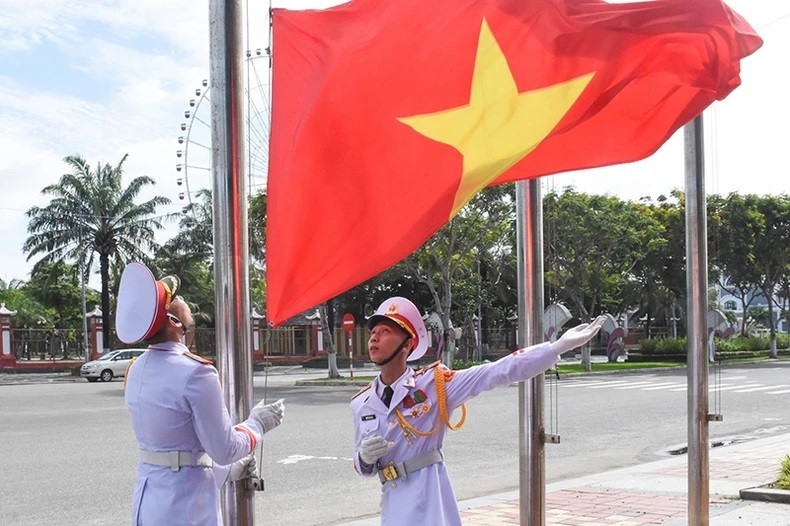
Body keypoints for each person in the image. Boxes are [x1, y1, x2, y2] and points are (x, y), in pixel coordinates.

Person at [351, 296, 605, 526]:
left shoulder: (435, 384)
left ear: (407, 345)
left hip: (428, 499)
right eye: (373, 332)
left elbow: (496, 371)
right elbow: (363, 468)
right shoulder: (362, 403)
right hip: (392, 502)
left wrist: (555, 348)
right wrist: (363, 458)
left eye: (385, 332)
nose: (374, 338)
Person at [118, 262, 284, 526]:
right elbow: (225, 449)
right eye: (176, 300)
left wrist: (227, 472)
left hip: (148, 504)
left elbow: (174, 451)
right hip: (185, 509)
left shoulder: (135, 369)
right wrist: (257, 425)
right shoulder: (197, 373)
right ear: (174, 323)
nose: (184, 303)